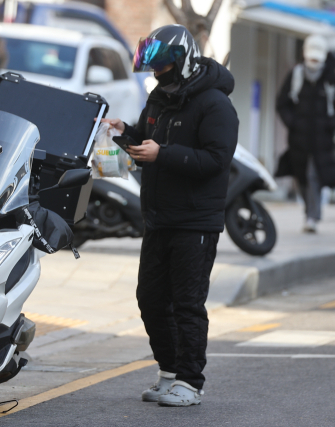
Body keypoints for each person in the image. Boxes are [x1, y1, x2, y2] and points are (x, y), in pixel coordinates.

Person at [101, 25, 238, 407]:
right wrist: (122, 132)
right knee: (150, 298)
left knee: (187, 304)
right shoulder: (161, 98)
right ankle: (169, 372)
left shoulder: (215, 104)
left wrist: (164, 154)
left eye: (161, 65)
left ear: (182, 60)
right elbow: (145, 138)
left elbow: (216, 160)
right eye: (153, 66)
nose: (156, 72)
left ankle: (191, 383)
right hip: (159, 218)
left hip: (195, 222)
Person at [276, 34, 335, 233]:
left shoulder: (332, 79)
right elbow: (282, 103)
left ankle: (312, 216)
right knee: (301, 177)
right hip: (299, 140)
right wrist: (293, 123)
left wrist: (330, 124)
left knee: (314, 175)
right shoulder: (296, 75)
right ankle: (311, 212)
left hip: (322, 140)